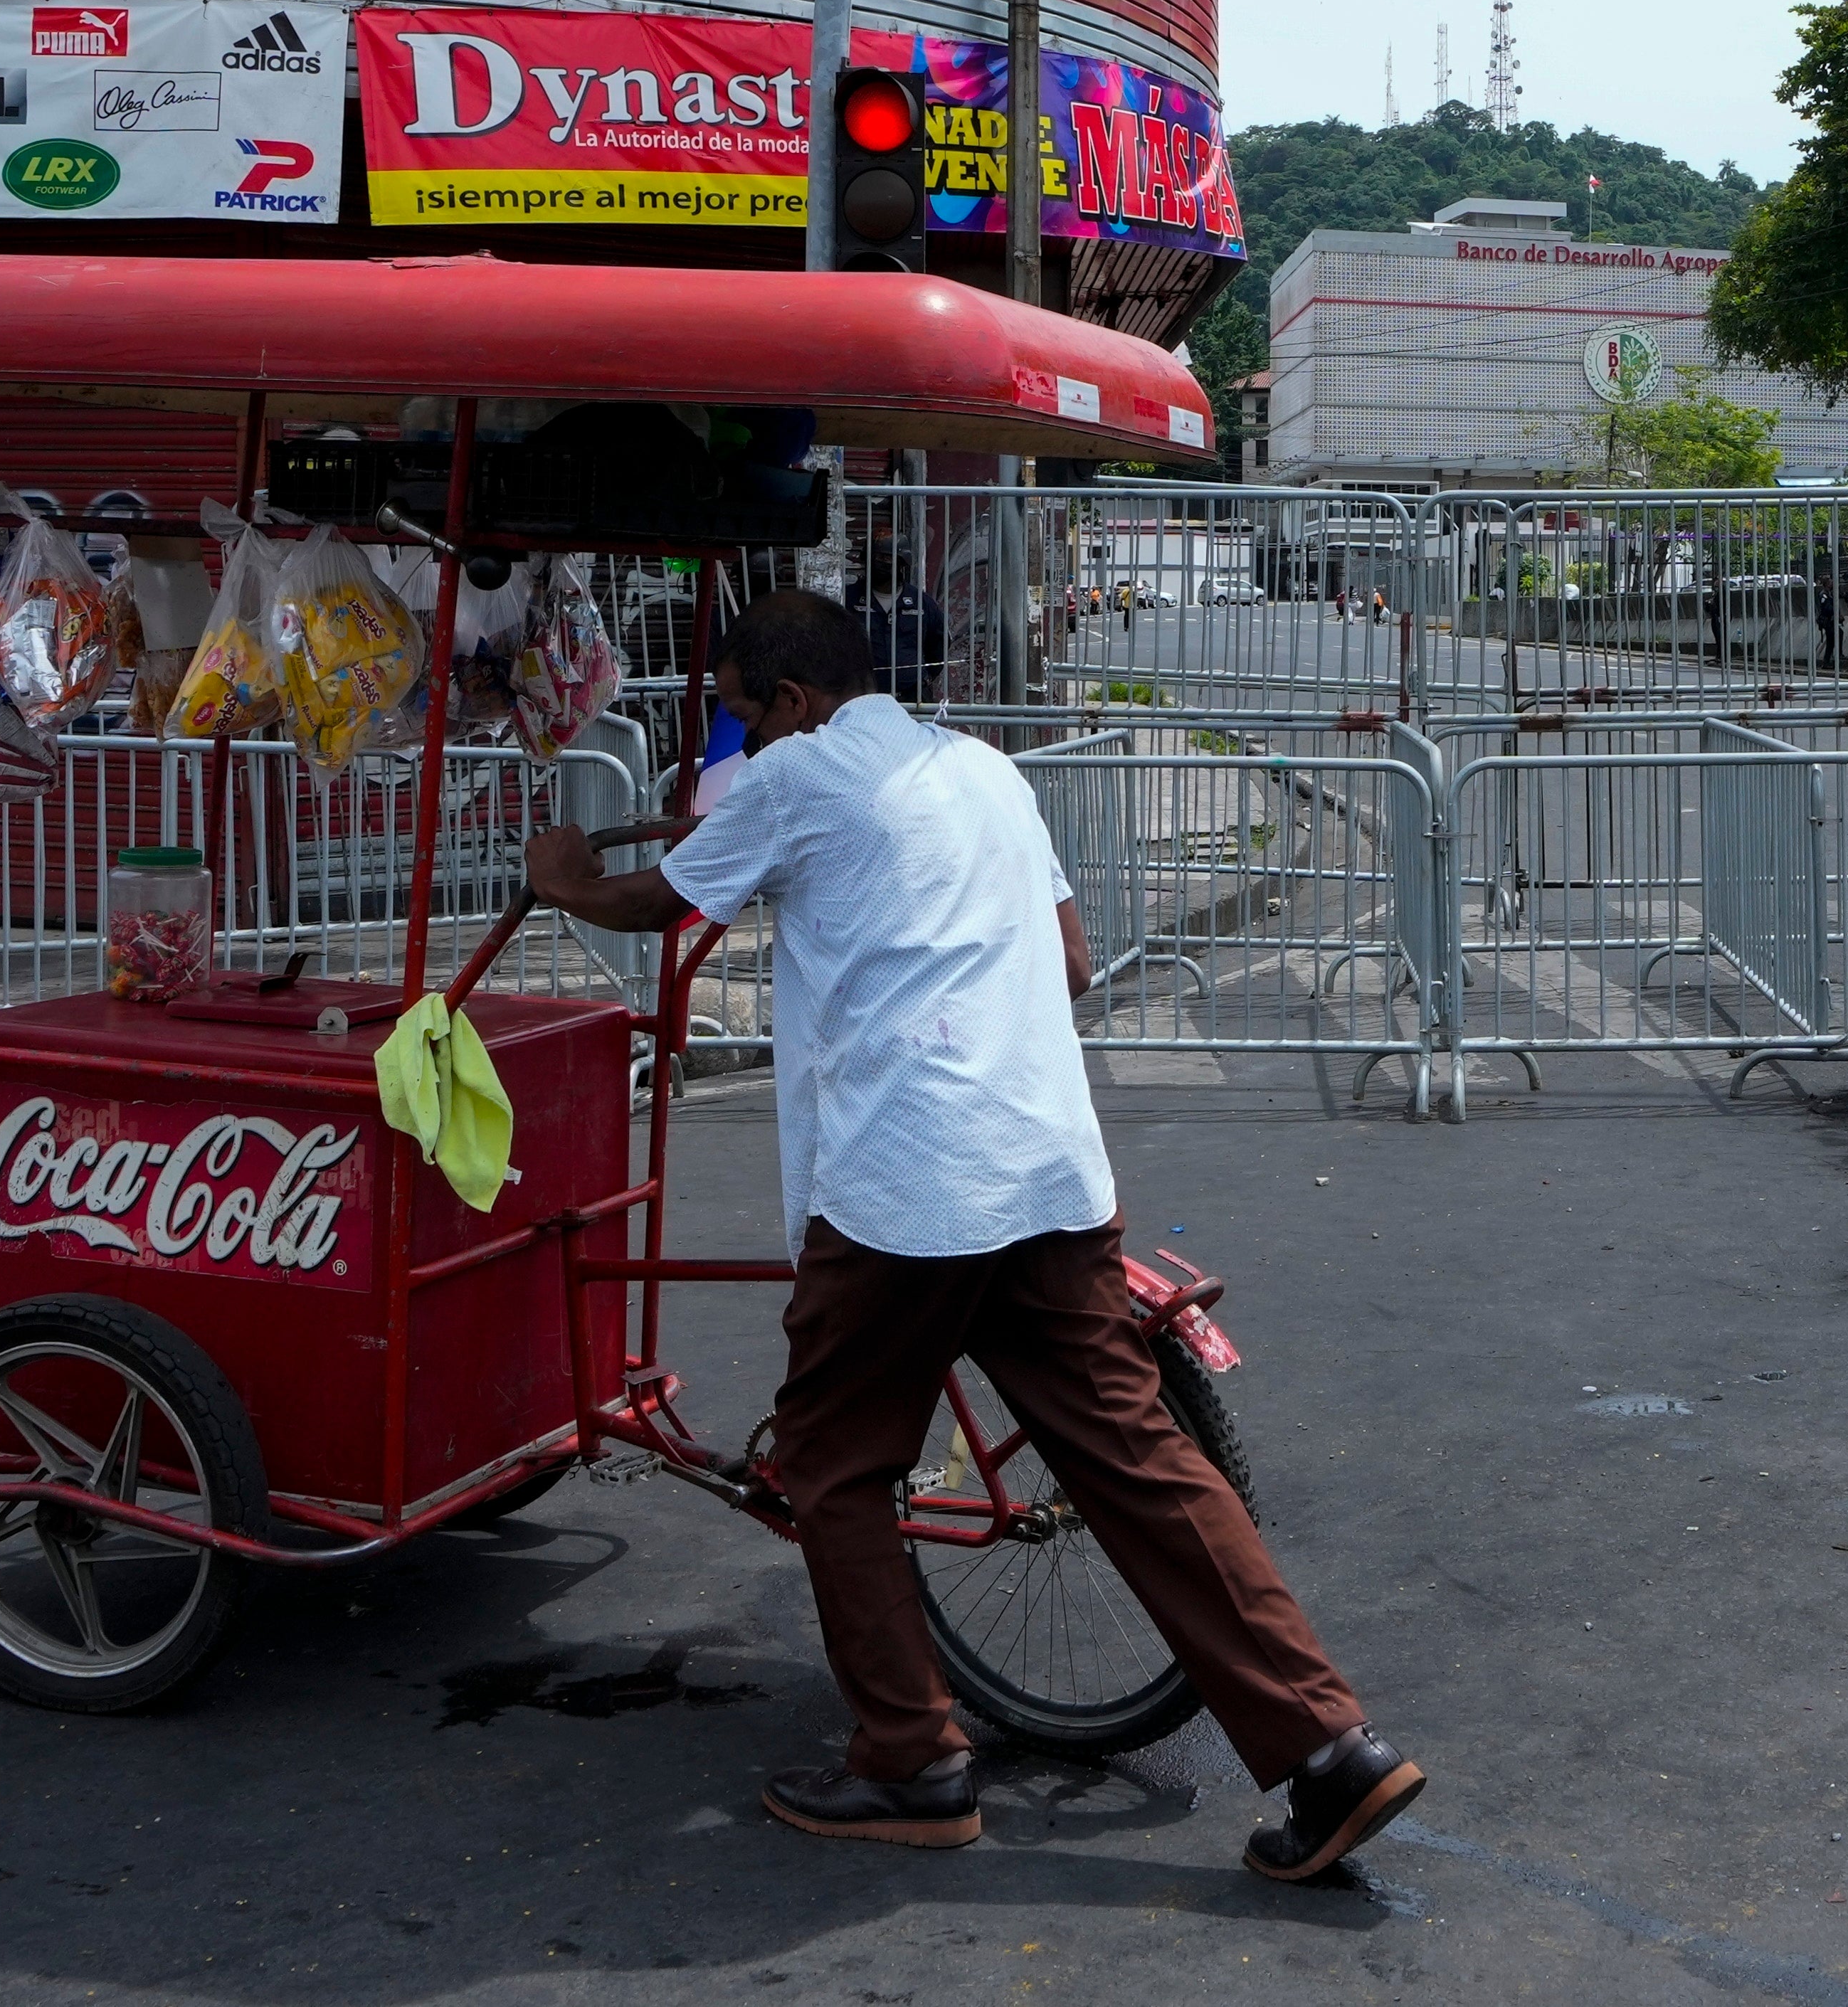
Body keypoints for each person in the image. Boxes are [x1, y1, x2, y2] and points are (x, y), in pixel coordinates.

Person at [524, 591, 1422, 1882]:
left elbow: (645, 907)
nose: (735, 731)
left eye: (734, 705)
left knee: (833, 1463)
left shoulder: (794, 773)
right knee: (1136, 1456)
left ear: (787, 700)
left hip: (904, 1185)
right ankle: (1332, 1747)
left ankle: (907, 1757)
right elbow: (1067, 960)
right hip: (1044, 1165)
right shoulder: (981, 766)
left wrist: (561, 877)